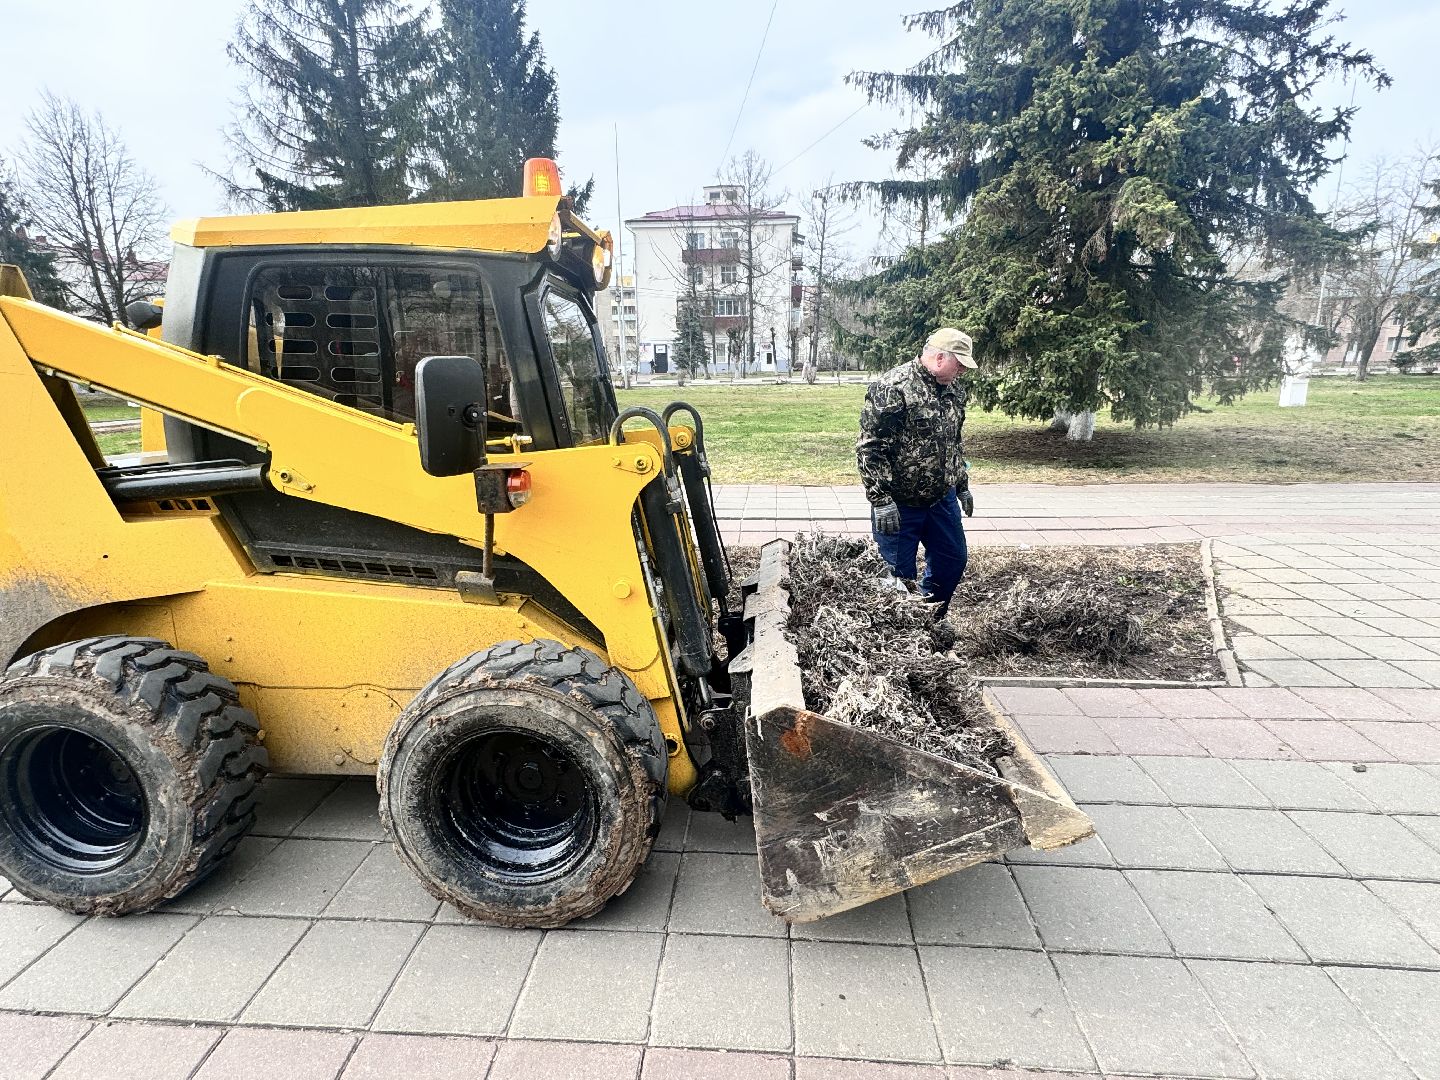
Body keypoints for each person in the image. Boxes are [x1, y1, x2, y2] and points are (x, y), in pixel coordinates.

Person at [855, 327, 976, 617]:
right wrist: (880, 499)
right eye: (958, 364)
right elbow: (870, 446)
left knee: (953, 559)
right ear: (938, 358)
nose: (961, 371)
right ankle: (903, 635)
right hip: (899, 504)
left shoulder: (953, 390)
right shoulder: (893, 387)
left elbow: (953, 442)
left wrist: (961, 485)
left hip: (940, 500)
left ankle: (930, 617)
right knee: (897, 578)